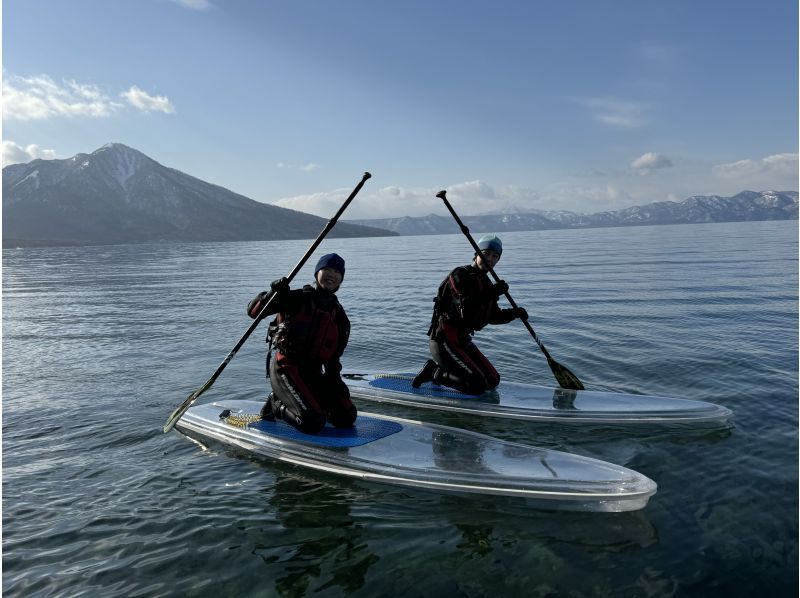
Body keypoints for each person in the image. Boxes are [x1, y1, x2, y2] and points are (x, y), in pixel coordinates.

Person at [247, 253, 356, 434]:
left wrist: (336, 385)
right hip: (286, 368)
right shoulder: (296, 299)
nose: (331, 274)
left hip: (313, 373)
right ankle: (276, 405)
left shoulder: (340, 317)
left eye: (337, 272)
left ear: (341, 279)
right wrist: (273, 293)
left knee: (346, 417)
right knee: (312, 422)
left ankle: (307, 402)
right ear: (317, 273)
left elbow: (333, 359)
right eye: (327, 269)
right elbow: (253, 311)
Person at [411, 234, 528, 394]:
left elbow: (492, 316)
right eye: (486, 254)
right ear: (476, 254)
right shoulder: (459, 275)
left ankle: (447, 373)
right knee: (477, 385)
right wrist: (493, 293)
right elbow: (466, 307)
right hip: (444, 341)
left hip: (462, 341)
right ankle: (433, 372)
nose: (490, 259)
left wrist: (515, 313)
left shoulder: (486, 283)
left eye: (495, 256)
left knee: (493, 381)